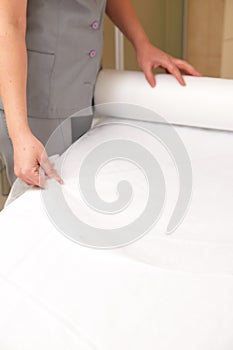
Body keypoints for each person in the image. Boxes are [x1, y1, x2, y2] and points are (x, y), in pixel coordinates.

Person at [0, 0, 201, 188]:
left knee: (79, 193)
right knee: (40, 207)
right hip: (34, 103)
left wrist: (142, 43)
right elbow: (8, 24)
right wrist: (19, 134)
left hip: (82, 87)